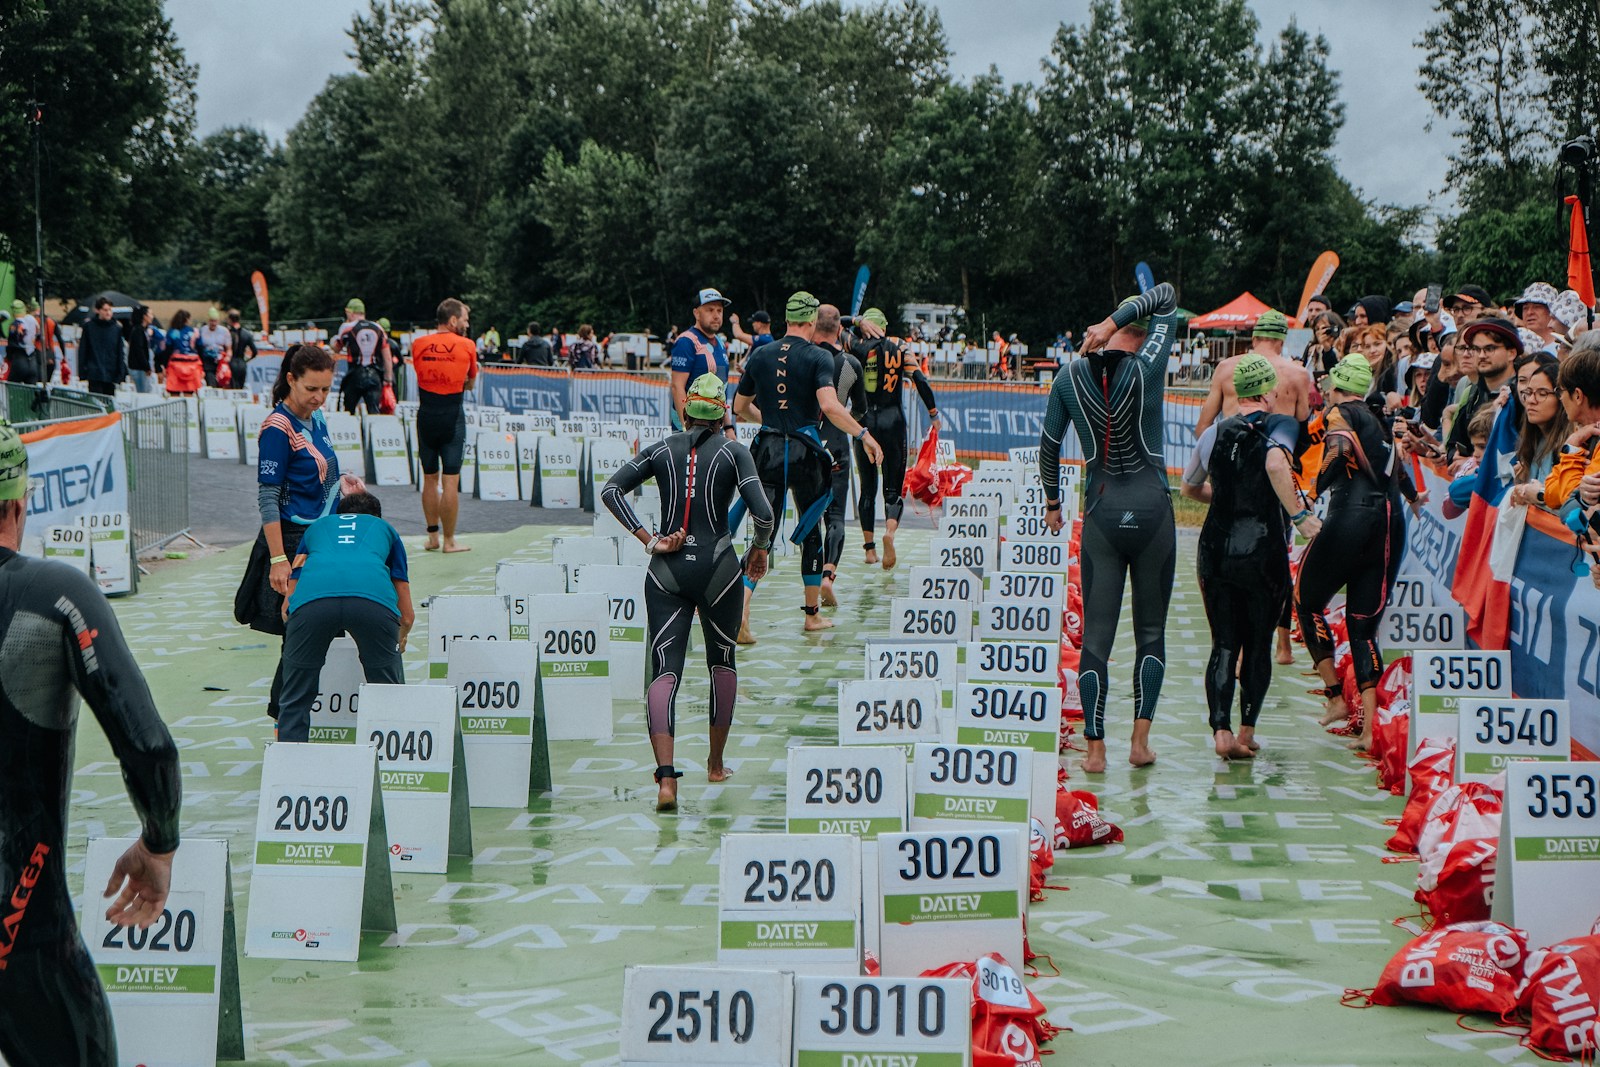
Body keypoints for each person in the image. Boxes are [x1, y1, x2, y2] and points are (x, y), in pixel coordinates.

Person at [0, 421, 182, 1067]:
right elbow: (148, 743)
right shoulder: (53, 594)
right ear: (20, 502)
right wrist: (159, 839)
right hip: (21, 929)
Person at [601, 374, 775, 810]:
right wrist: (759, 550)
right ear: (722, 418)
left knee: (665, 669)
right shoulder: (735, 452)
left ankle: (666, 781)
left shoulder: (662, 449)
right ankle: (715, 763)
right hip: (720, 570)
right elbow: (765, 514)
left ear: (684, 412)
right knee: (722, 661)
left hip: (667, 570)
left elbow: (611, 490)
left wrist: (650, 539)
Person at [1039, 281, 1179, 773]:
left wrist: (1053, 503)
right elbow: (1167, 297)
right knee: (1151, 633)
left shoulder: (1067, 377)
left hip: (1101, 510)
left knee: (1096, 640)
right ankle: (1139, 744)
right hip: (1153, 509)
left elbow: (1049, 446)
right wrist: (1115, 321)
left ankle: (1095, 751)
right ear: (1142, 337)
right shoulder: (1148, 367)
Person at [1182, 355, 1321, 759]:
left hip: (1217, 547)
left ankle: (1220, 732)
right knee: (1257, 644)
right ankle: (1246, 732)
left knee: (1224, 643)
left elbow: (1190, 490)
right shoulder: (1282, 424)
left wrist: (1227, 497)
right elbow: (1277, 462)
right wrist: (1299, 516)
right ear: (1268, 392)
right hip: (1262, 548)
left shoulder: (1212, 434)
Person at [732, 291, 882, 636]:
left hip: (768, 450)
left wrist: (769, 420)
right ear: (812, 322)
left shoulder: (761, 354)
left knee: (762, 532)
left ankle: (742, 609)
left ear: (786, 320)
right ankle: (811, 615)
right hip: (804, 451)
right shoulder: (818, 357)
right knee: (811, 530)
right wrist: (864, 436)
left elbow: (739, 406)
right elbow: (830, 407)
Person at [1296, 356, 1417, 751]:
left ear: (1335, 387)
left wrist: (1312, 492)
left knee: (1306, 599)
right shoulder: (1380, 420)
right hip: (1390, 522)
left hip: (1350, 516)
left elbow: (1337, 452)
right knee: (1363, 626)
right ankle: (1368, 730)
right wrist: (1414, 497)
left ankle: (1335, 697)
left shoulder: (1340, 413)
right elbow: (1397, 470)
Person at [248, 344, 343, 722]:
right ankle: (284, 721)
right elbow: (268, 498)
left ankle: (292, 716)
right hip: (292, 540)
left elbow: (322, 473)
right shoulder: (278, 427)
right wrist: (278, 559)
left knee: (312, 633)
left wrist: (341, 484)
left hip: (323, 539)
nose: (319, 398)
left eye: (325, 389)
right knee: (300, 637)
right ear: (291, 380)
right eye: (311, 389)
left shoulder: (317, 419)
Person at [276, 492, 413, 743]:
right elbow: (404, 602)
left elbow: (290, 593)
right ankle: (392, 762)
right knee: (387, 689)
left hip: (312, 604)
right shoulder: (385, 529)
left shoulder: (318, 527)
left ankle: (290, 763)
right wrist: (400, 636)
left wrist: (295, 627)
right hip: (372, 602)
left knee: (296, 694)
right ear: (377, 517)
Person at [850, 306, 937, 569]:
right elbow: (919, 378)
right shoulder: (899, 345)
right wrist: (933, 412)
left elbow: (834, 324)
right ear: (884, 327)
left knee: (867, 488)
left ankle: (869, 550)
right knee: (893, 488)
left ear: (866, 326)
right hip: (893, 420)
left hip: (864, 422)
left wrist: (855, 320)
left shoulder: (855, 345)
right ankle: (889, 533)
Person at [410, 298, 478, 553]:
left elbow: (420, 374)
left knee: (429, 478)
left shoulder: (418, 344)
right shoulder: (467, 345)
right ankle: (449, 541)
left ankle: (433, 537)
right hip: (452, 416)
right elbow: (469, 383)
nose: (467, 324)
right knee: (450, 481)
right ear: (452, 321)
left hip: (426, 414)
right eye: (464, 320)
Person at [813, 304, 867, 607]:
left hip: (807, 439)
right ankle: (828, 575)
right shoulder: (849, 363)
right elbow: (860, 409)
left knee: (809, 518)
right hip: (836, 440)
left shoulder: (804, 357)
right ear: (839, 331)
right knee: (836, 516)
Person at [1195, 310, 1311, 433]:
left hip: (1233, 447)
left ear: (1254, 339)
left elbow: (1202, 427)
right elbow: (1302, 432)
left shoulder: (1225, 368)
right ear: (1281, 342)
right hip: (1275, 447)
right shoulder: (1299, 374)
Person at [1505, 355, 1569, 507]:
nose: (1531, 400)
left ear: (1561, 398)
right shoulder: (1533, 442)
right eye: (1528, 392)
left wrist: (1540, 494)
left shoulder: (1572, 447)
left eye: (1542, 394)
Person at [670, 288, 732, 431]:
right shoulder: (686, 341)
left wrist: (728, 427)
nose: (716, 315)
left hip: (715, 429)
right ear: (696, 313)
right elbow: (677, 387)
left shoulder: (720, 343)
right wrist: (686, 429)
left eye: (719, 310)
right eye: (710, 310)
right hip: (690, 429)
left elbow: (721, 389)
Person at [335, 313, 393, 416]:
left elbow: (337, 348)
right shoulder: (378, 328)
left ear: (350, 312)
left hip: (354, 374)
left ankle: (350, 430)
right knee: (374, 410)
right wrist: (388, 379)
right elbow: (387, 357)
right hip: (374, 374)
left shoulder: (348, 328)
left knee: (348, 410)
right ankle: (374, 430)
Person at [76, 296, 127, 396]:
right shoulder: (89, 327)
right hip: (94, 373)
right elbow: (83, 350)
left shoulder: (116, 329)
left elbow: (120, 352)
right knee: (97, 402)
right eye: (105, 310)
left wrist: (121, 373)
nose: (108, 313)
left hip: (111, 372)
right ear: (97, 310)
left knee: (109, 403)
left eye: (110, 310)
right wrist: (83, 372)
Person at [164, 309, 205, 395]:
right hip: (192, 365)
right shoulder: (194, 332)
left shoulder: (172, 332)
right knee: (189, 391)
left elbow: (167, 350)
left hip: (175, 365)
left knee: (174, 391)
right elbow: (200, 348)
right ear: (186, 319)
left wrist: (164, 365)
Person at [4, 299, 41, 385]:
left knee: (11, 388)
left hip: (19, 361)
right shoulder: (33, 323)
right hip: (33, 362)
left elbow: (11, 344)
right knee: (30, 392)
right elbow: (38, 337)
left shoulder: (15, 325)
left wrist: (8, 357)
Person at [125, 305, 157, 393]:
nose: (152, 316)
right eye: (150, 314)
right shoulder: (138, 331)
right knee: (143, 392)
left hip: (140, 367)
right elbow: (139, 350)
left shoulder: (141, 330)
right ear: (144, 316)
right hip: (139, 368)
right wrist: (146, 366)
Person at [197, 308, 231, 387]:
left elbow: (229, 348)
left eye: (215, 321)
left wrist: (228, 357)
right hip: (208, 360)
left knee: (223, 381)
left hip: (220, 360)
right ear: (208, 321)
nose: (213, 323)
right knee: (211, 381)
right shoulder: (202, 330)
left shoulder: (224, 331)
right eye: (211, 321)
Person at [227, 309, 258, 391]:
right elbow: (255, 351)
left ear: (230, 319)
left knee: (232, 389)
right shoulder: (247, 334)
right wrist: (247, 360)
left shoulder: (227, 333)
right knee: (240, 389)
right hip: (242, 363)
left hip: (231, 362)